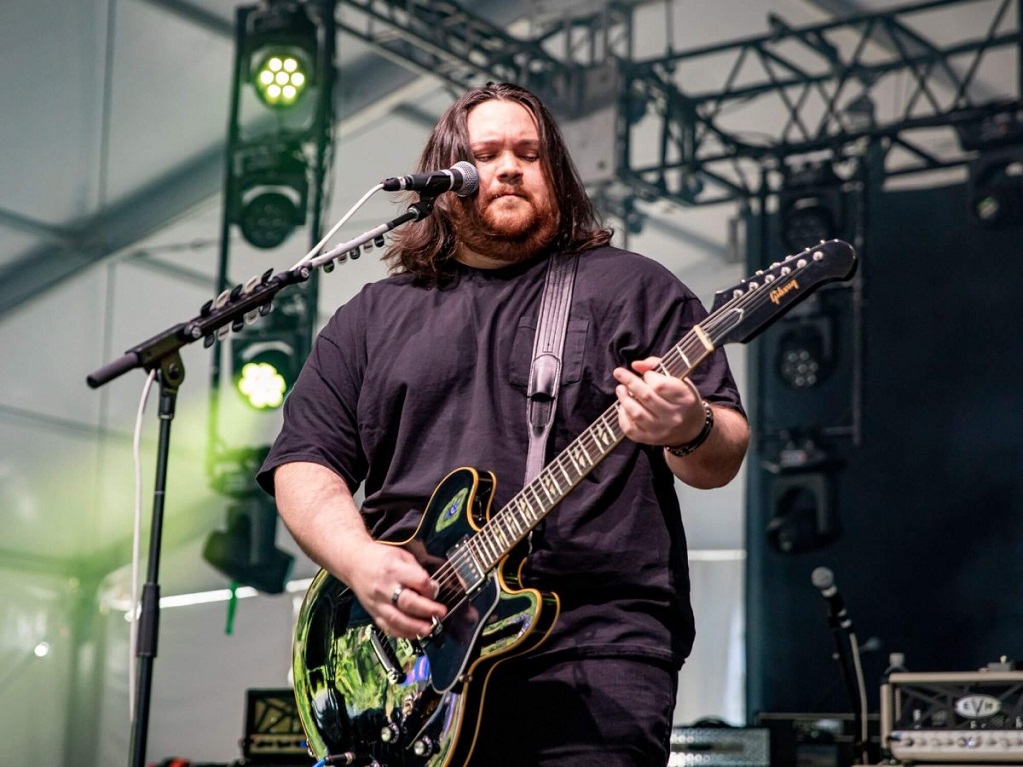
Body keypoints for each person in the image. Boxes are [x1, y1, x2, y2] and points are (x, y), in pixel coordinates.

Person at [257, 81, 749, 766]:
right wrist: (360, 561)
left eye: (529, 153)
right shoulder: (369, 317)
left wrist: (688, 424)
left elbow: (721, 455)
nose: (510, 167)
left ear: (557, 175)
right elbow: (305, 461)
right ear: (442, 183)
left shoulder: (631, 288)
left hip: (595, 651)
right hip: (413, 662)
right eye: (485, 155)